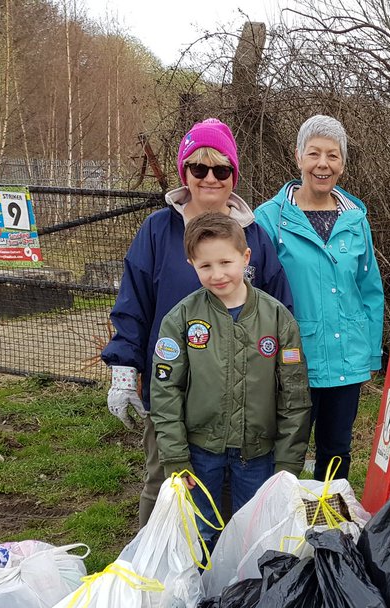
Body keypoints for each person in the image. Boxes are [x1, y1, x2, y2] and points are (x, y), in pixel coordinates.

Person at [102, 117, 293, 526]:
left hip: (241, 394)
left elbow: (279, 312)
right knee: (168, 483)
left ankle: (225, 575)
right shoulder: (158, 230)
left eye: (221, 169)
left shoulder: (254, 237)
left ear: (233, 175)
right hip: (173, 388)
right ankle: (153, 573)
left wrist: (279, 383)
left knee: (232, 495)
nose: (210, 178)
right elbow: (134, 303)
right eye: (198, 168)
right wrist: (124, 366)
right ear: (184, 172)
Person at [150, 213, 311, 549]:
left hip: (258, 453)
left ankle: (248, 596)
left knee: (253, 533)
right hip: (199, 453)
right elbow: (166, 392)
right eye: (205, 265)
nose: (217, 274)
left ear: (246, 257)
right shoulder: (180, 318)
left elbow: (294, 395)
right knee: (200, 532)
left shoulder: (278, 318)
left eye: (226, 261)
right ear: (191, 263)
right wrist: (176, 457)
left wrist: (288, 461)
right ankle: (201, 597)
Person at [255, 114, 385, 483]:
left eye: (333, 155)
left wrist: (371, 351)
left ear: (342, 163)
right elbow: (258, 294)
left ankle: (331, 525)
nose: (323, 164)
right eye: (314, 154)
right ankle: (283, 525)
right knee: (286, 449)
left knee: (336, 450)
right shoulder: (271, 219)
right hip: (292, 358)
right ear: (298, 158)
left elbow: (369, 289)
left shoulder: (355, 219)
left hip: (346, 355)